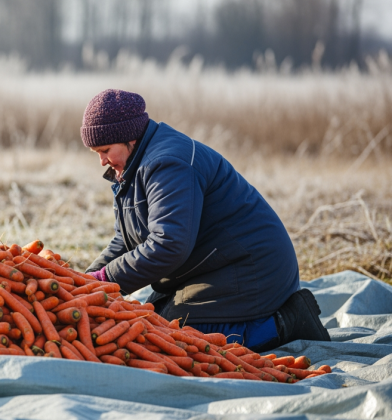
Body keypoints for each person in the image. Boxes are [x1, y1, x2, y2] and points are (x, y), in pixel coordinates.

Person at [81, 89, 330, 351]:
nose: (101, 162)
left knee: (172, 337)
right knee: (149, 319)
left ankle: (287, 322)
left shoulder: (167, 164)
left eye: (105, 150)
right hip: (212, 265)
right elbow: (127, 238)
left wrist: (105, 279)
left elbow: (169, 244)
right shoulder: (131, 167)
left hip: (254, 268)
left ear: (129, 136)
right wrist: (84, 281)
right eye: (95, 152)